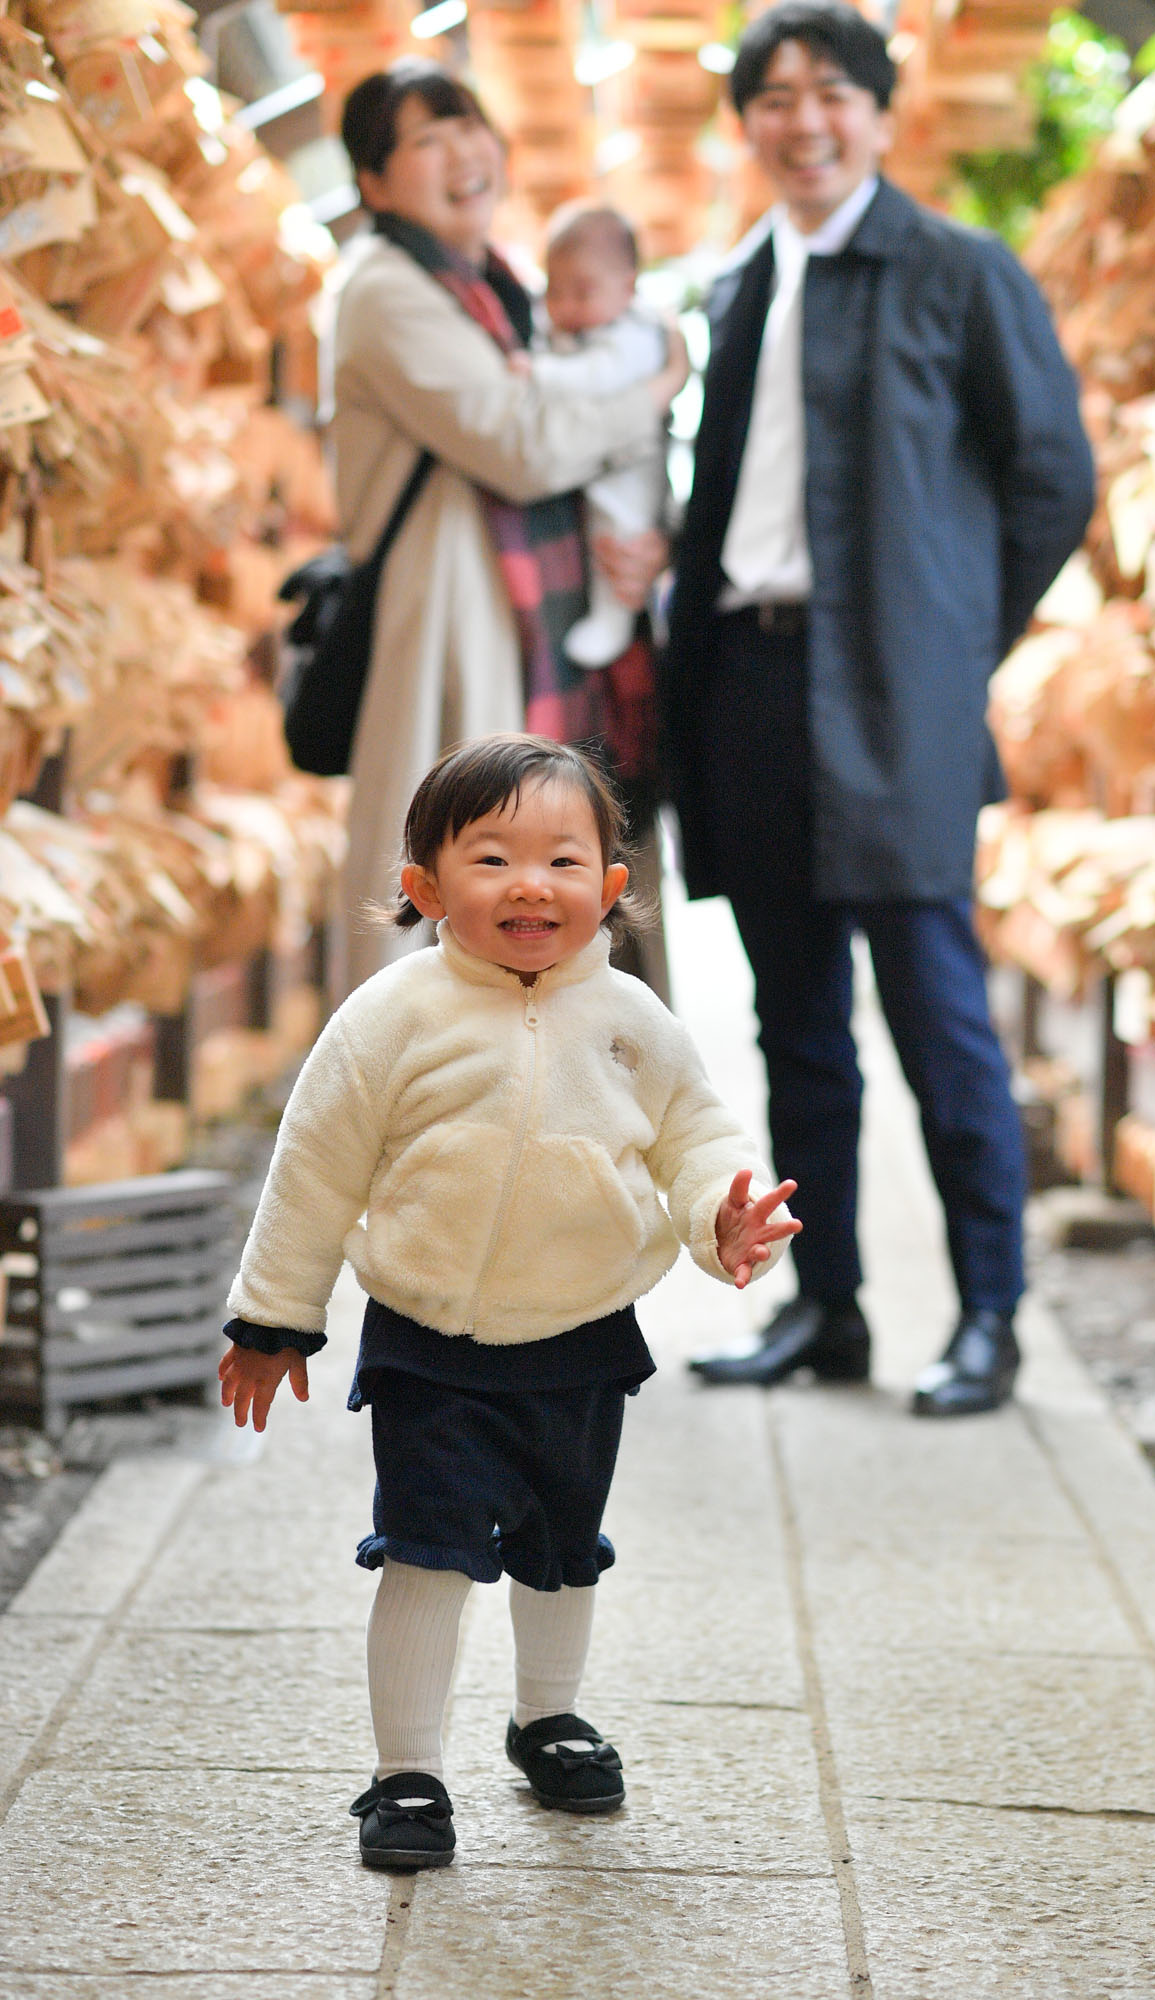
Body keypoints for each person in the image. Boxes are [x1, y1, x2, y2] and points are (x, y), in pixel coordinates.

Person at [217, 735, 799, 1868]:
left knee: (560, 1543)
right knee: (427, 1547)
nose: (530, 884)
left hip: (583, 1333)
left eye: (562, 860)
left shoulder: (635, 1019)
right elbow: (315, 1165)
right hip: (430, 1339)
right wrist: (273, 1315)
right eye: (491, 857)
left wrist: (723, 1218)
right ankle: (407, 1773)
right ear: (427, 885)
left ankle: (547, 1716)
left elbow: (697, 1140)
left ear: (612, 889)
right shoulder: (392, 1017)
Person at [665, 2, 1095, 1414]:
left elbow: (1050, 480)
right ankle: (828, 1305)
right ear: (749, 126)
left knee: (935, 1011)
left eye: (831, 93)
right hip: (749, 682)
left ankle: (987, 1317)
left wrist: (946, 636)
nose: (803, 120)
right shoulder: (738, 286)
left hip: (895, 696)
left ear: (881, 115)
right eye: (775, 97)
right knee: (794, 1025)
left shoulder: (958, 272)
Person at [330, 60, 684, 995]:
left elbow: (570, 456)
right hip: (453, 629)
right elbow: (521, 442)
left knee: (533, 875)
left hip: (531, 636)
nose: (462, 155)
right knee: (450, 884)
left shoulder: (494, 290)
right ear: (372, 182)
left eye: (469, 128)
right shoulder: (386, 289)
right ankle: (416, 1115)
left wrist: (648, 544)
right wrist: (655, 391)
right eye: (427, 140)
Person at [523, 205, 669, 670]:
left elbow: (594, 378)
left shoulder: (636, 335)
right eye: (554, 291)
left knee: (618, 535)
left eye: (582, 292)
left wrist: (538, 373)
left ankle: (614, 617)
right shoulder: (579, 327)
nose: (565, 307)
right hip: (596, 460)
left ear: (627, 287)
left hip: (631, 469)